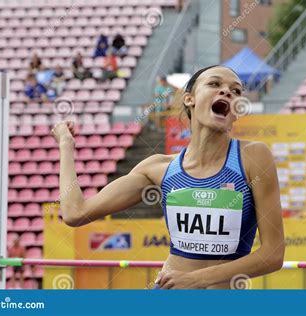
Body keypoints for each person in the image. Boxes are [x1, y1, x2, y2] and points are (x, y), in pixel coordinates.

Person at [51, 65, 285, 289]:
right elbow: (75, 213)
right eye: (214, 84)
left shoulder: (253, 157)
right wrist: (65, 145)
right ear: (189, 98)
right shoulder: (158, 168)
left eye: (236, 91)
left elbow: (273, 254)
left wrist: (195, 279)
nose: (227, 91)